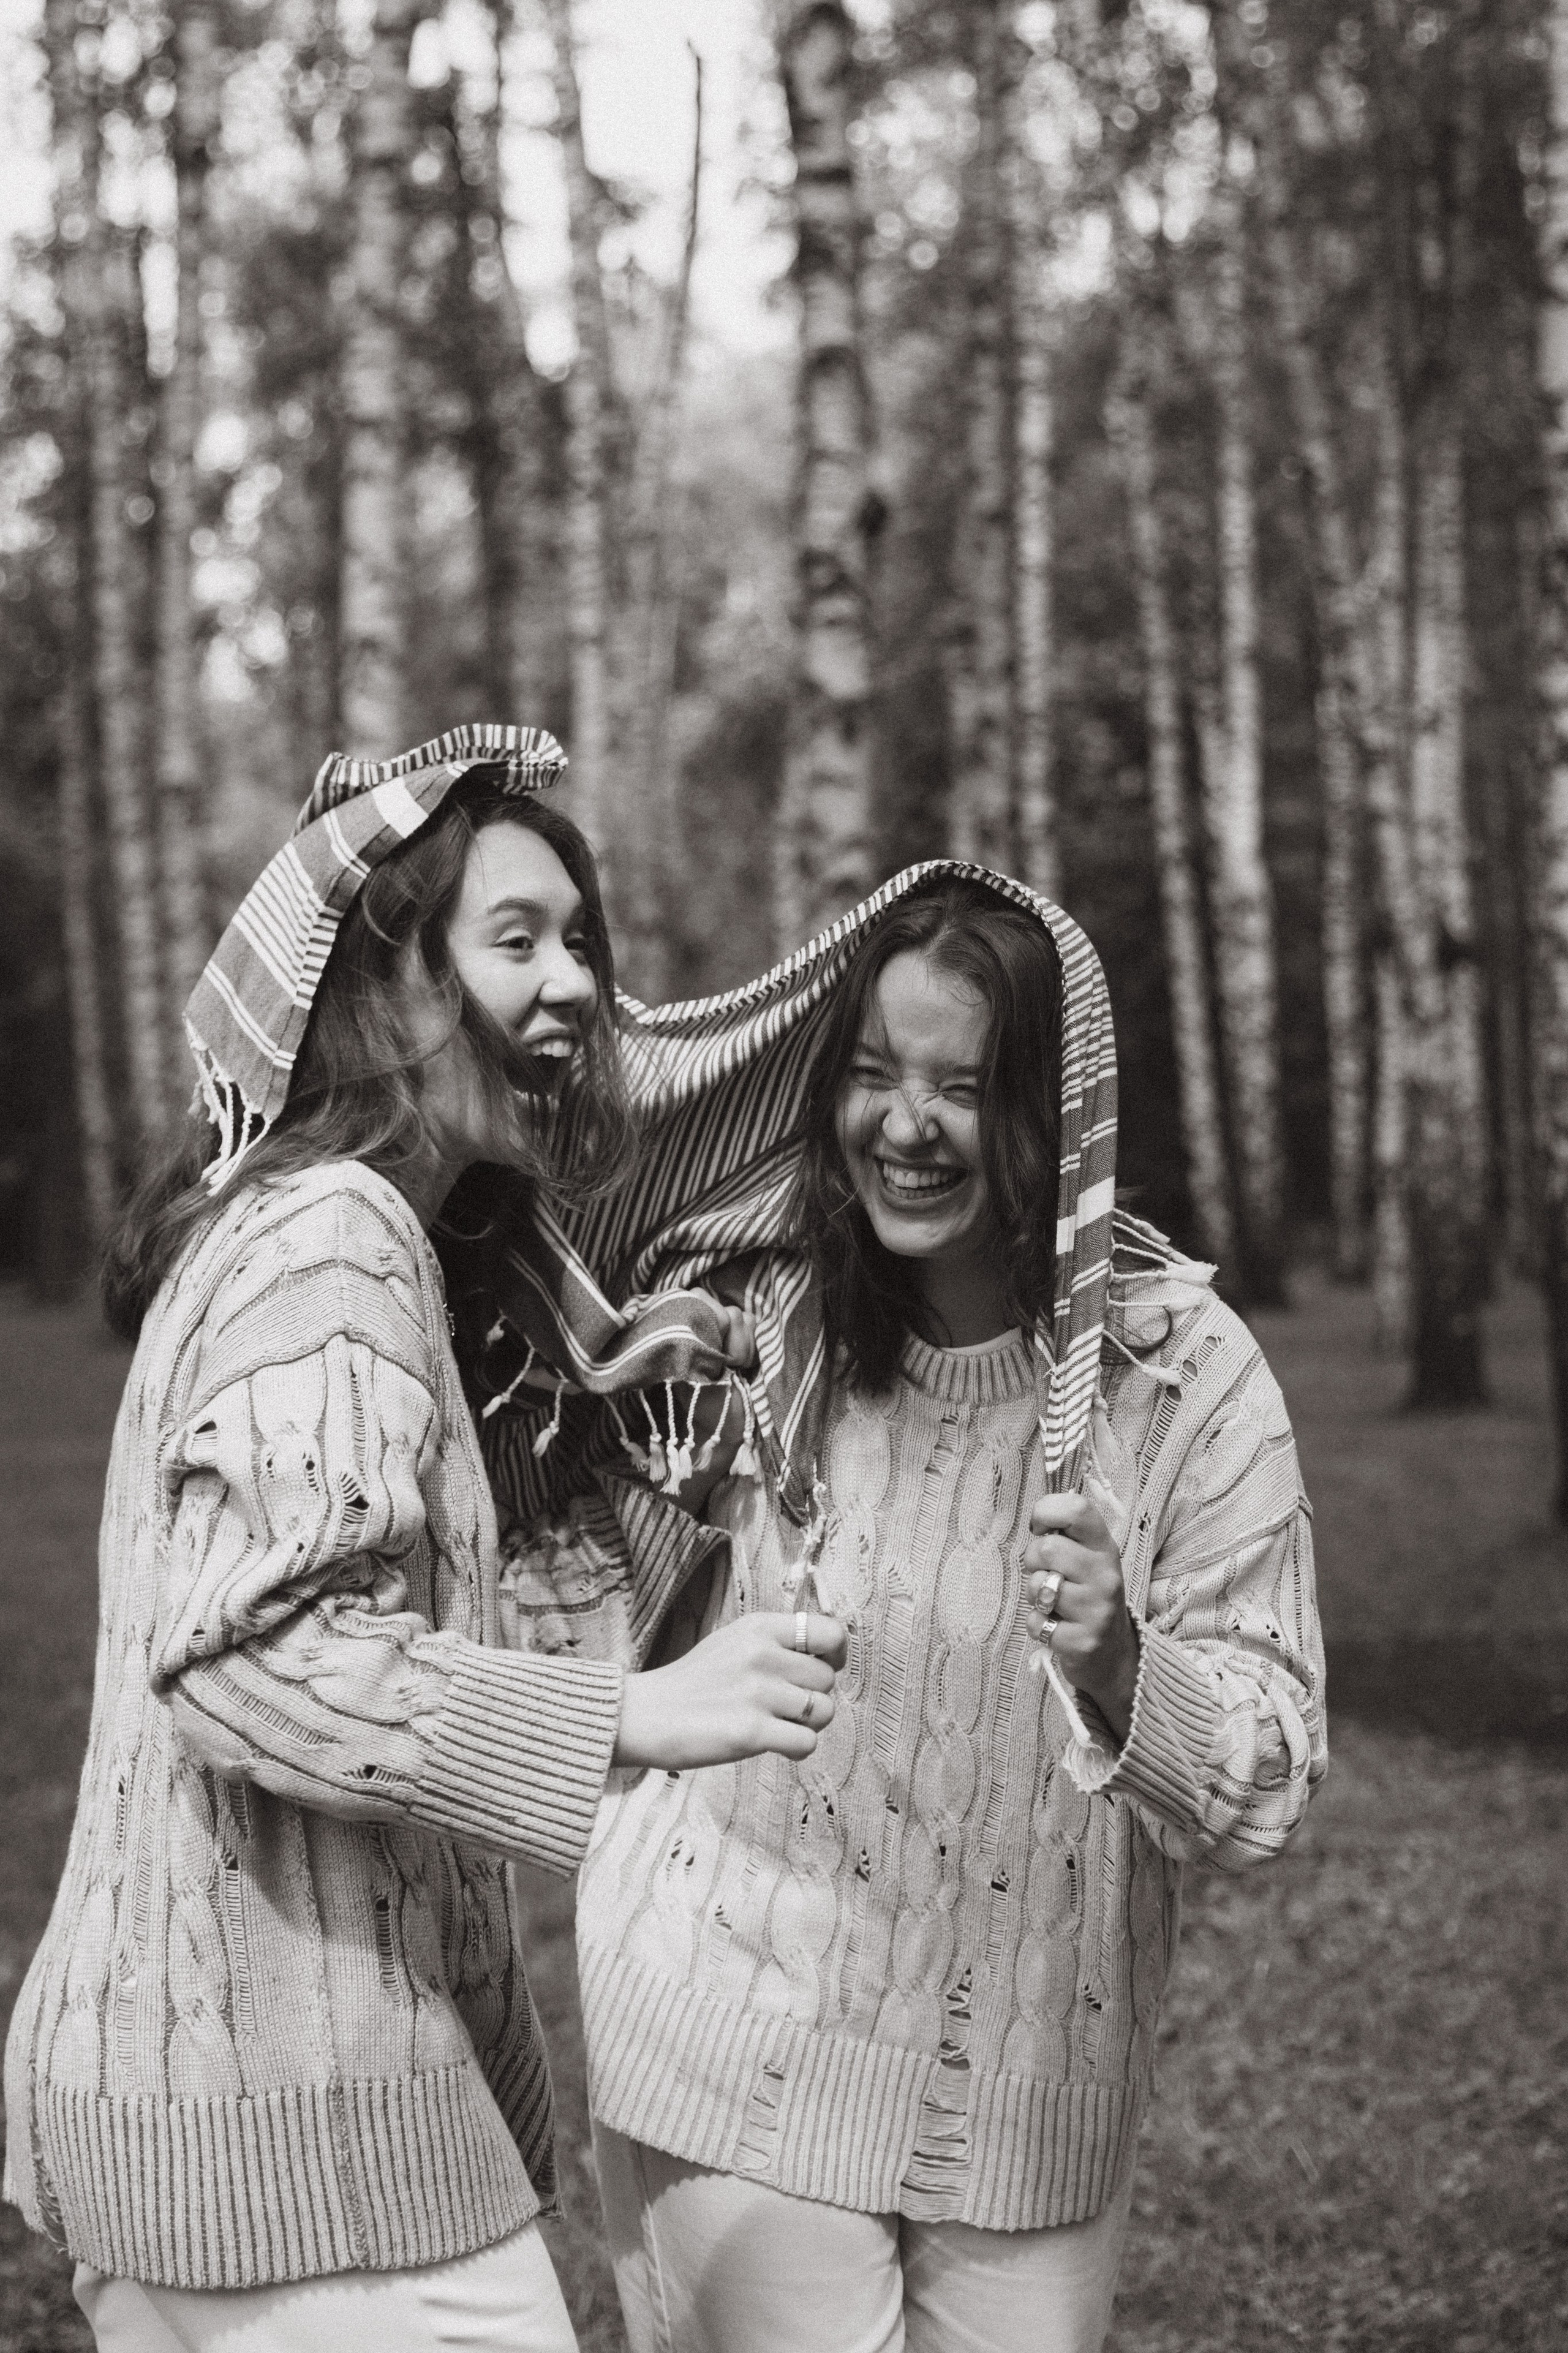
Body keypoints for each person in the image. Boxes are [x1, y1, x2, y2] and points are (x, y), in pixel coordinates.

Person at [2, 725, 845, 2353]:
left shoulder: (306, 1227)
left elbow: (364, 1628)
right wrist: (630, 1717)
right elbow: (254, 1661)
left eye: (581, 942)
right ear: (384, 991)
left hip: (205, 2119)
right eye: (515, 940)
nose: (578, 987)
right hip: (307, 2152)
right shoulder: (334, 1236)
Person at [488, 868, 1327, 2353]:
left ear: (1053, 1118)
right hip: (728, 2035)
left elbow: (1265, 1781)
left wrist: (1126, 1665)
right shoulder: (756, 1325)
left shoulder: (1181, 1380)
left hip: (1030, 2097)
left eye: (960, 1087)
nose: (903, 1127)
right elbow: (542, 1266)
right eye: (871, 1077)